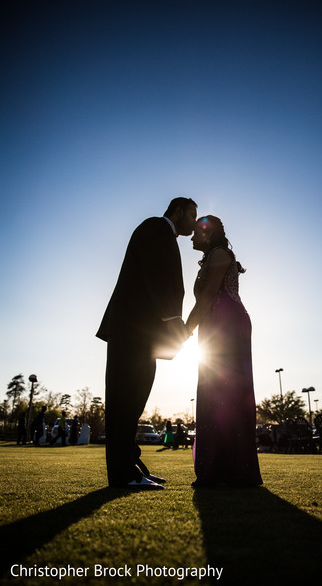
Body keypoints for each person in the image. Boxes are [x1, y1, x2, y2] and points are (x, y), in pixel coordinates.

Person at [96, 197, 197, 489]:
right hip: (131, 330)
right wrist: (173, 321)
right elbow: (157, 277)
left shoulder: (163, 233)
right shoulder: (155, 227)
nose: (193, 222)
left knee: (133, 402)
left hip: (141, 334)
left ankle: (133, 468)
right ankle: (123, 475)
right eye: (192, 215)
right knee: (124, 402)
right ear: (177, 211)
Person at [186, 216, 263, 487]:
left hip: (227, 324)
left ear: (208, 234)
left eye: (196, 232)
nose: (192, 237)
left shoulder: (220, 254)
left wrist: (185, 329)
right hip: (213, 326)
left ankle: (232, 470)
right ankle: (218, 469)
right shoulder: (209, 258)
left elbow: (208, 297)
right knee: (213, 392)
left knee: (227, 394)